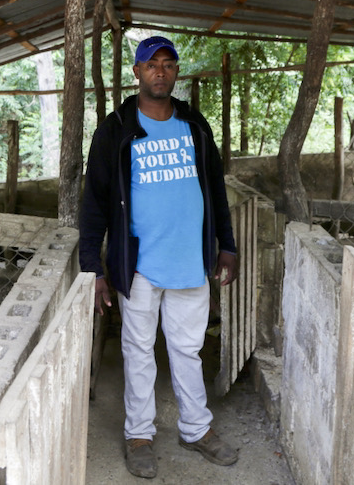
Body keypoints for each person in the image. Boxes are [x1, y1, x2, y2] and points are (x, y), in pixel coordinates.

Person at [79, 35, 240, 479]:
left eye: (169, 64)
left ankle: (196, 429)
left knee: (188, 350)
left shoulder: (194, 124)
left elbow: (215, 190)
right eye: (152, 65)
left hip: (190, 260)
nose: (161, 72)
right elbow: (94, 204)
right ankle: (139, 435)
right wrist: (93, 268)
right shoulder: (114, 130)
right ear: (137, 72)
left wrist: (226, 245)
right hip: (139, 264)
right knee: (138, 351)